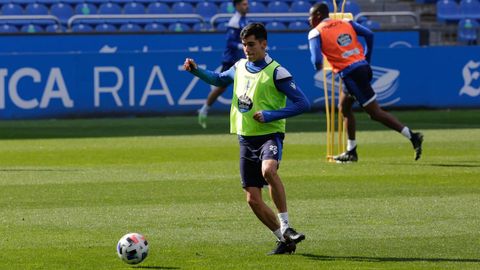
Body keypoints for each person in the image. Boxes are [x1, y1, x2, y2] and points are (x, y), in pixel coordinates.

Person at [184, 23, 310, 255]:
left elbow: (303, 103)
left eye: (251, 44)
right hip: (245, 139)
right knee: (252, 199)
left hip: (269, 136)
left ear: (264, 44)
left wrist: (271, 115)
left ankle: (286, 225)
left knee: (268, 171)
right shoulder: (240, 66)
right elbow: (219, 80)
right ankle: (284, 239)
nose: (247, 49)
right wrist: (196, 71)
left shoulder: (277, 72)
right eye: (244, 45)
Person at [307, 3, 424, 162]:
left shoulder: (315, 32)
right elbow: (369, 34)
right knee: (344, 108)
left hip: (351, 74)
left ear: (318, 16)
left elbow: (316, 60)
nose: (309, 19)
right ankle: (351, 151)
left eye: (311, 16)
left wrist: (319, 66)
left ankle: (413, 136)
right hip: (361, 68)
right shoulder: (346, 22)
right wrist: (366, 59)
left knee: (375, 113)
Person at [197, 0, 249, 129]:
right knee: (221, 86)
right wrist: (244, 46)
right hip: (231, 59)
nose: (246, 6)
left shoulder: (244, 20)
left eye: (247, 4)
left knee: (244, 86)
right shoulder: (234, 22)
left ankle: (244, 114)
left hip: (241, 59)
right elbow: (230, 43)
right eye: (243, 4)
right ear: (237, 6)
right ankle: (204, 109)